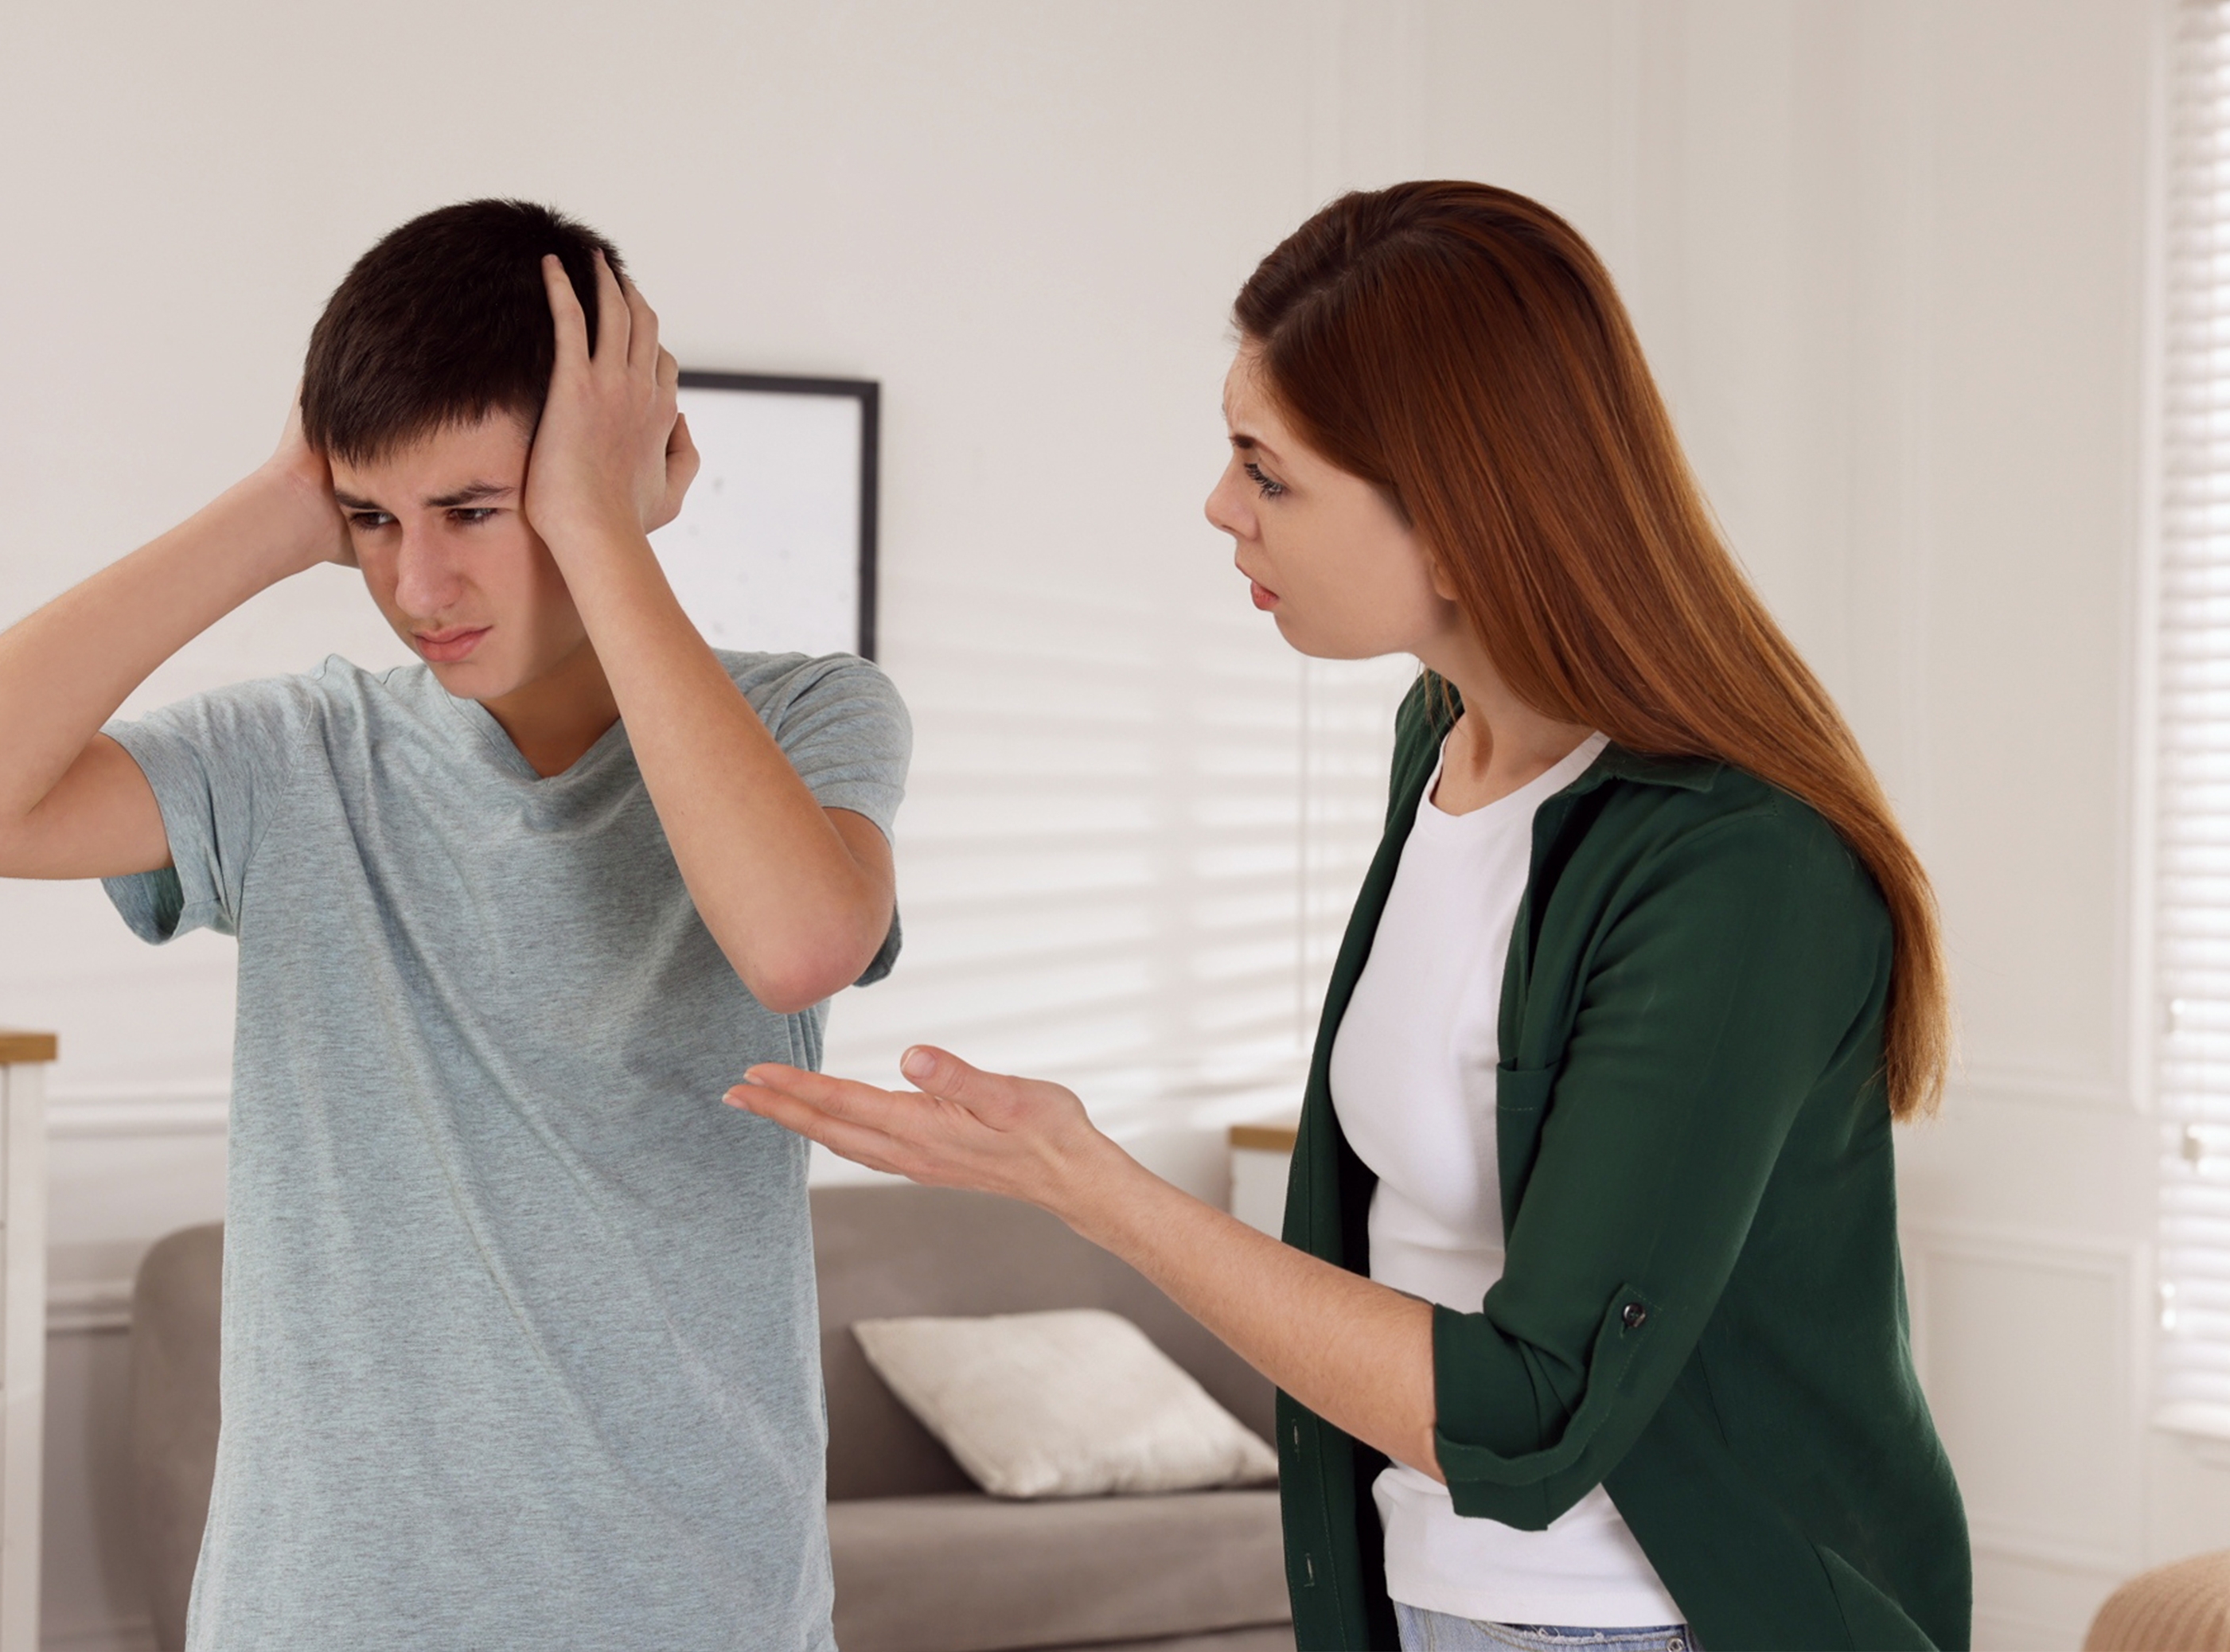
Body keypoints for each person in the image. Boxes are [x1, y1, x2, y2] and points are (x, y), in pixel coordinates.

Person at [727, 180, 1968, 1652]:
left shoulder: (1740, 871)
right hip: (1421, 1600)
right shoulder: (1436, 746)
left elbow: (1537, 1408)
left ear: (1457, 522)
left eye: (1268, 471)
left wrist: (1088, 1185)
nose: (1219, 506)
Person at [0, 200, 908, 1651]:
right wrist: (285, 504)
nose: (418, 587)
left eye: (473, 510)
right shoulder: (296, 759)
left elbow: (795, 941)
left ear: (613, 469)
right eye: (373, 521)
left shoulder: (808, 718)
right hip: (324, 1614)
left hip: (690, 1607)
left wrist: (598, 527)